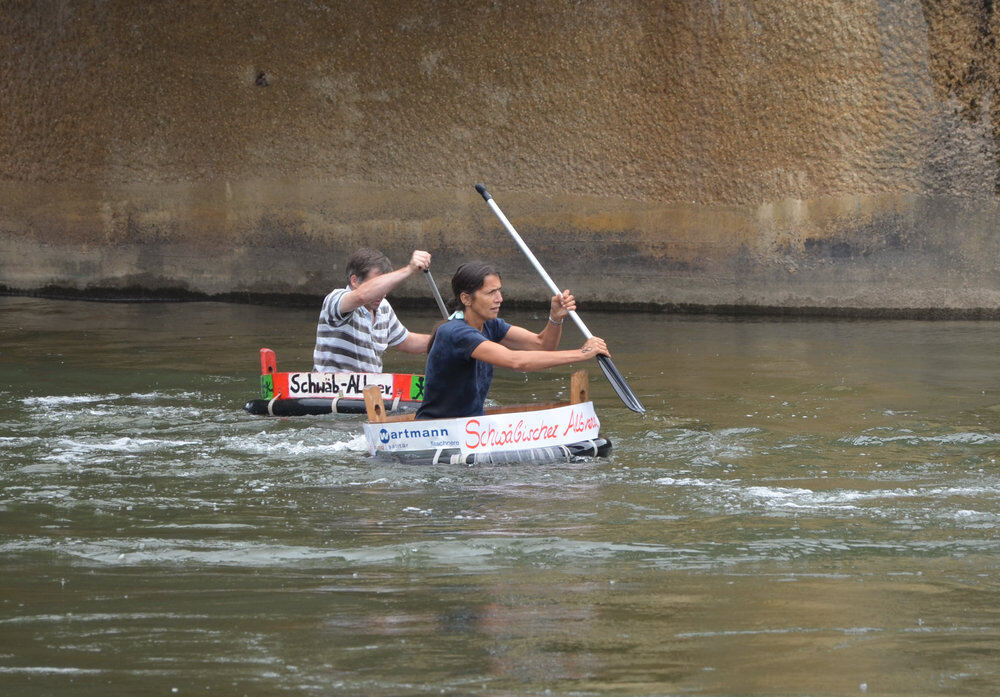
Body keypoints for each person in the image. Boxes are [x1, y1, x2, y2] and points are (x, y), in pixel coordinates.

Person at [415, 261, 608, 419]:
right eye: (491, 293)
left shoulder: (491, 325)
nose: (499, 299)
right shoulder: (455, 333)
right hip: (437, 429)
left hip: (473, 425)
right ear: (466, 298)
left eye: (499, 291)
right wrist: (582, 353)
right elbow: (517, 361)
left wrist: (555, 318)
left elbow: (542, 346)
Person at [313, 248, 432, 373]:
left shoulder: (384, 307)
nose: (383, 294)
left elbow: (407, 341)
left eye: (385, 285)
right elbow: (361, 296)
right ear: (355, 281)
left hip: (369, 389)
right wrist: (409, 269)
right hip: (330, 388)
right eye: (378, 286)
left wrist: (445, 338)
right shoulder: (336, 300)